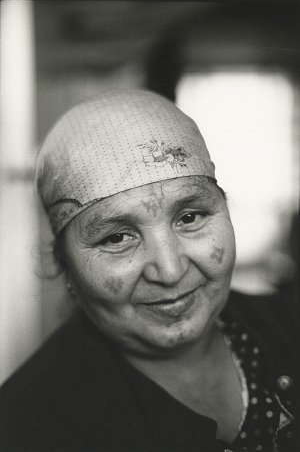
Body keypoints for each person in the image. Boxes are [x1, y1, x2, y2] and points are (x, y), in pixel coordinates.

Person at [0, 90, 298, 452]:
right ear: (65, 266)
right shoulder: (30, 425)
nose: (170, 271)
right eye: (117, 237)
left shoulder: (289, 324)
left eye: (190, 217)